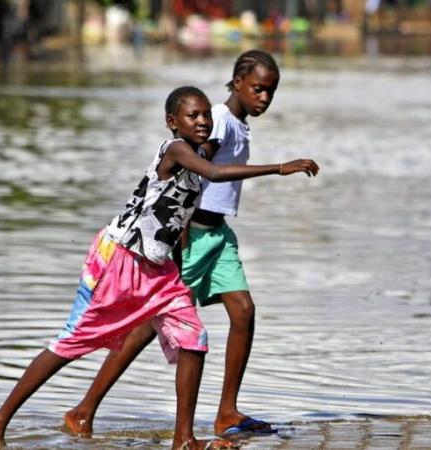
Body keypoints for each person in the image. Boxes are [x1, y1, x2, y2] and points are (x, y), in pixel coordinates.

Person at [0, 85, 319, 450]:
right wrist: (281, 168)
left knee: (193, 340)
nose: (203, 121)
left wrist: (233, 120)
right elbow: (213, 173)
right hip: (120, 258)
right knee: (74, 341)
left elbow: (211, 153)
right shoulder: (175, 150)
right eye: (194, 116)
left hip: (159, 267)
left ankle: (184, 440)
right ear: (172, 122)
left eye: (206, 115)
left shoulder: (201, 146)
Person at [63, 50, 314, 438]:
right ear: (238, 83)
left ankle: (227, 412)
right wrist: (279, 168)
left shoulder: (238, 123)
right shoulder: (219, 122)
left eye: (271, 92)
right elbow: (197, 171)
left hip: (219, 235)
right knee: (147, 327)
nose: (264, 98)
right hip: (194, 235)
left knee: (243, 311)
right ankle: (84, 408)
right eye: (258, 89)